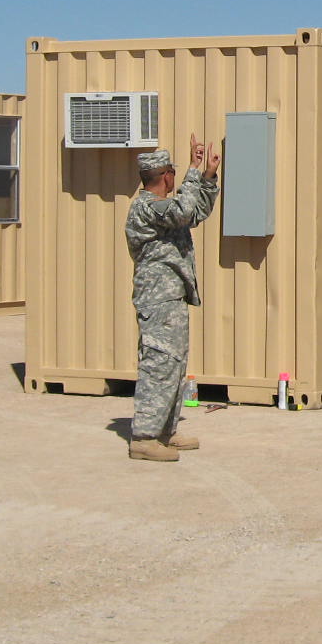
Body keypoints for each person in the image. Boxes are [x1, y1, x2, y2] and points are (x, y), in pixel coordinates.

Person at [125, 133, 220, 461]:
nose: (176, 178)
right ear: (165, 176)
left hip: (172, 297)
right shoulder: (146, 207)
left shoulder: (164, 207)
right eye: (174, 173)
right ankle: (145, 437)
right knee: (159, 363)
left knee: (175, 365)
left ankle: (165, 431)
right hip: (158, 300)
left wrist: (206, 177)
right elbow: (183, 210)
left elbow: (195, 212)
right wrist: (195, 172)